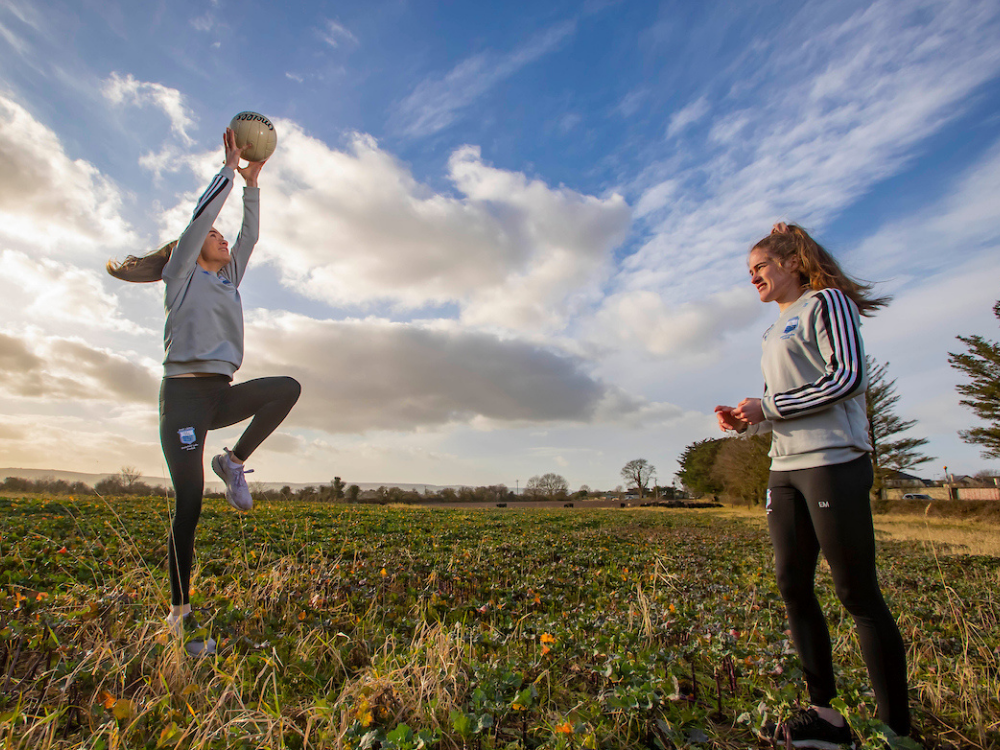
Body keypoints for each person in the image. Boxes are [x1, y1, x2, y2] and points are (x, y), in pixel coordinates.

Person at [714, 223, 909, 745]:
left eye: (759, 267)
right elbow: (782, 398)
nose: (752, 277)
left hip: (832, 460)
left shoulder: (827, 303)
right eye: (749, 272)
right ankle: (827, 718)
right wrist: (748, 419)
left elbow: (847, 377)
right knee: (792, 586)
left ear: (793, 263)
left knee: (855, 593)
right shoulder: (771, 329)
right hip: (785, 467)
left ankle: (895, 731)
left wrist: (769, 406)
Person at [108, 129, 300, 656]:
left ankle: (232, 461)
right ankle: (180, 617)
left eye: (220, 235)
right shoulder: (181, 275)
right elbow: (197, 225)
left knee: (285, 388)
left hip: (220, 393)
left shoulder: (227, 277)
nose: (220, 238)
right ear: (191, 251)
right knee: (188, 504)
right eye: (212, 235)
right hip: (184, 403)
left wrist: (252, 185)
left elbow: (250, 236)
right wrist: (227, 168)